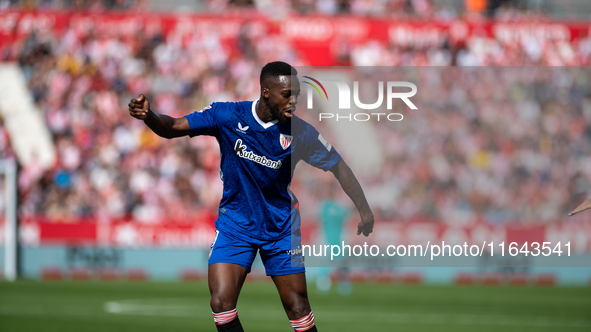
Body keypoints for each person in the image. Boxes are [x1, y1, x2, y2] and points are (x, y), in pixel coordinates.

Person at [127, 61, 374, 332]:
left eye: (297, 95)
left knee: (298, 307)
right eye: (287, 94)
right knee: (221, 301)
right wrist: (149, 116)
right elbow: (172, 126)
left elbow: (339, 166)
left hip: (280, 227)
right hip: (236, 225)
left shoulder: (301, 133)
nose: (294, 101)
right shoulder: (227, 116)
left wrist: (364, 210)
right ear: (266, 92)